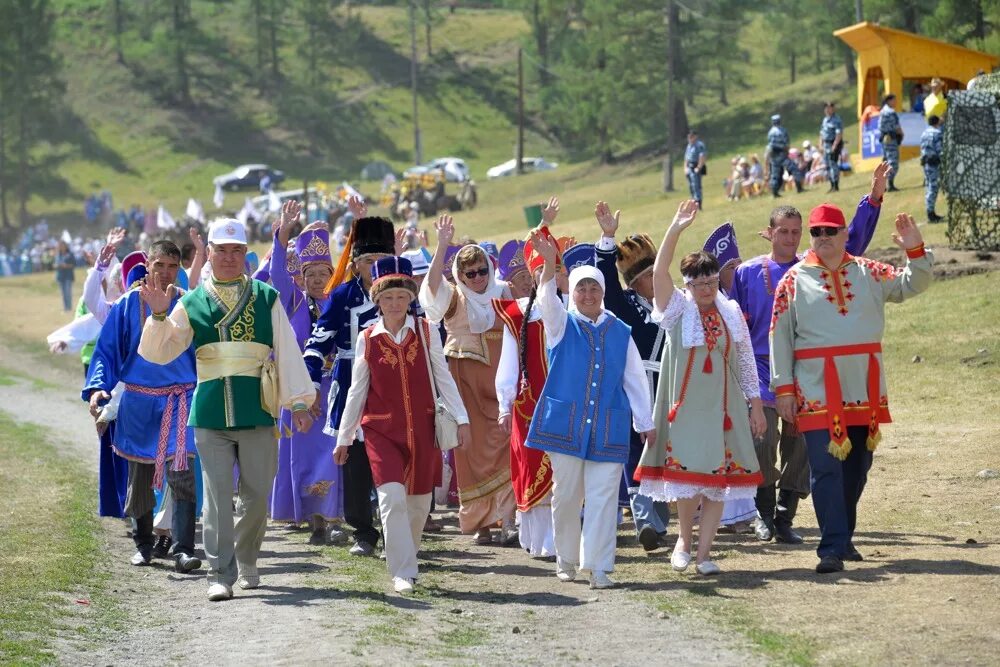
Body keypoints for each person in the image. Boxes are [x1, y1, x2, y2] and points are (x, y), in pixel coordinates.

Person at [137, 218, 316, 602]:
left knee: (256, 495)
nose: (230, 258)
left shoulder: (266, 296)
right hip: (209, 412)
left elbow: (285, 349)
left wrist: (298, 401)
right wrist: (157, 315)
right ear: (210, 254)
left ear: (244, 253)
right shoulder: (191, 302)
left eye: (237, 250)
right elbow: (160, 352)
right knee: (217, 496)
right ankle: (221, 573)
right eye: (222, 250)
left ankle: (247, 556)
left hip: (258, 408)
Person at [730, 164, 889, 544]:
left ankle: (787, 511)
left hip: (808, 372)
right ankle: (763, 512)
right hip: (760, 371)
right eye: (782, 231)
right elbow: (735, 324)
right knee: (762, 441)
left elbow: (853, 240)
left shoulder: (811, 268)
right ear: (769, 233)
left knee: (803, 443)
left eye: (795, 232)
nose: (788, 237)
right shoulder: (748, 272)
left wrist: (874, 199)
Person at [770, 204, 933, 574]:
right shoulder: (792, 281)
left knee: (857, 466)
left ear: (846, 233)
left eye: (831, 230)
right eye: (816, 232)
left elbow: (914, 283)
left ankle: (843, 538)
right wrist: (783, 390)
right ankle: (831, 548)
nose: (823, 238)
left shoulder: (871, 271)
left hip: (863, 385)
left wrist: (915, 250)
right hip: (815, 387)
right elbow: (778, 336)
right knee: (825, 467)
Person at [635, 200, 765, 576]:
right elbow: (659, 273)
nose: (707, 288)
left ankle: (705, 554)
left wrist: (755, 405)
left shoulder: (730, 313)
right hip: (686, 409)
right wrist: (675, 229)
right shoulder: (677, 309)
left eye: (711, 281)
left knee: (718, 484)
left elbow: (744, 362)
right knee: (688, 483)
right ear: (688, 285)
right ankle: (683, 540)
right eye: (699, 282)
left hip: (723, 411)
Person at [525, 228, 654, 590]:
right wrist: (550, 264)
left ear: (603, 293)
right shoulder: (560, 324)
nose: (587, 294)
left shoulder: (621, 330)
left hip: (608, 426)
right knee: (566, 496)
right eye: (581, 288)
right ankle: (566, 558)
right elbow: (548, 299)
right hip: (564, 424)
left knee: (602, 498)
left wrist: (645, 421)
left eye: (594, 288)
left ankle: (599, 566)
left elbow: (634, 379)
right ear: (574, 292)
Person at [334, 256, 471, 595]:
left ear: (411, 298)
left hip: (424, 429)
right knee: (391, 497)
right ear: (376, 299)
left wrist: (462, 418)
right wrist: (345, 436)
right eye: (387, 297)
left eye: (401, 297)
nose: (395, 304)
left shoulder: (426, 332)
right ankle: (403, 571)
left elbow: (443, 377)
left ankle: (404, 551)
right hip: (381, 431)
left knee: (419, 503)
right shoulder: (368, 337)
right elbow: (357, 389)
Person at [84, 240, 202, 575]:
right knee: (140, 476)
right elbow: (106, 351)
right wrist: (97, 388)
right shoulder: (125, 306)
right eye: (159, 265)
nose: (165, 272)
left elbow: (204, 351)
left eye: (172, 266)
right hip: (138, 399)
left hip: (180, 399)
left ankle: (182, 550)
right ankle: (144, 544)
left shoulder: (189, 304)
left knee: (182, 474)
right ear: (146, 265)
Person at [303, 198, 396, 558]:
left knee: (393, 461)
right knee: (355, 461)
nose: (374, 268)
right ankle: (363, 531)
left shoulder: (402, 290)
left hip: (394, 384)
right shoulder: (342, 295)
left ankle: (396, 530)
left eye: (380, 261)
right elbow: (319, 338)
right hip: (350, 382)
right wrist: (311, 382)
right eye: (367, 262)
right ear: (355, 263)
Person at [419, 214, 517, 545]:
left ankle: (507, 520)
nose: (476, 278)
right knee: (469, 450)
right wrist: (442, 245)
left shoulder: (505, 293)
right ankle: (481, 523)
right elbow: (431, 288)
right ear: (459, 275)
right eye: (469, 273)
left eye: (482, 271)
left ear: (491, 269)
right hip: (464, 383)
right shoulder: (453, 296)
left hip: (501, 381)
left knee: (506, 445)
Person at [593, 201, 671, 552]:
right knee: (636, 449)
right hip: (634, 386)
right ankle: (643, 521)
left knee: (663, 451)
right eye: (652, 276)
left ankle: (662, 522)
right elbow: (606, 281)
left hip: (666, 386)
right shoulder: (625, 303)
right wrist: (608, 238)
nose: (659, 280)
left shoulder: (671, 303)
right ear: (638, 281)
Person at [266, 201, 344, 544]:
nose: (315, 280)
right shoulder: (292, 300)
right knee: (298, 456)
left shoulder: (338, 304)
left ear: (331, 277)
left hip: (332, 390)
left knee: (330, 454)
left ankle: (328, 517)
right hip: (296, 391)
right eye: (309, 274)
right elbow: (277, 275)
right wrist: (284, 232)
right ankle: (310, 518)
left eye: (322, 274)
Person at [493, 206, 561, 559]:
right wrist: (505, 404)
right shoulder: (520, 311)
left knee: (563, 472)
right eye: (544, 268)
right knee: (532, 463)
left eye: (555, 267)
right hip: (528, 401)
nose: (550, 274)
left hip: (565, 401)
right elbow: (508, 363)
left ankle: (557, 539)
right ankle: (537, 538)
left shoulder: (576, 307)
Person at [920, 115, 944, 223]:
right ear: (937, 122)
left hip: (926, 163)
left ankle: (930, 211)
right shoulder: (937, 133)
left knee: (929, 186)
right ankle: (930, 213)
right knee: (933, 188)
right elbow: (940, 150)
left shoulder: (924, 133)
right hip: (934, 163)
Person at [878, 94, 903, 192]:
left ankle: (882, 185)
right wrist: (901, 134)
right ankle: (889, 184)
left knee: (885, 161)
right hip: (891, 138)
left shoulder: (883, 111)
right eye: (894, 100)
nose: (895, 102)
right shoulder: (890, 112)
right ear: (889, 101)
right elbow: (897, 127)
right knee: (893, 162)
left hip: (884, 138)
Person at [819, 101, 844, 192]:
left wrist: (835, 145)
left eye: (829, 108)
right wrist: (820, 144)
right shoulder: (825, 120)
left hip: (833, 144)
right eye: (826, 108)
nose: (827, 109)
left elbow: (839, 134)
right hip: (825, 145)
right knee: (827, 165)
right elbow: (821, 133)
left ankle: (836, 185)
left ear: (833, 109)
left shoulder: (836, 119)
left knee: (833, 164)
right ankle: (831, 185)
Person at [766, 114, 790, 198]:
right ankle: (799, 187)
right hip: (782, 154)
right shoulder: (783, 130)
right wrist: (787, 153)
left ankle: (774, 192)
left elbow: (769, 145)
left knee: (774, 175)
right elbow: (786, 144)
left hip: (774, 156)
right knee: (793, 169)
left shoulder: (770, 132)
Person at [684, 130, 707, 210]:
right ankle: (693, 202)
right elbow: (686, 158)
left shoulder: (699, 145)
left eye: (691, 137)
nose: (690, 138)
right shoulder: (689, 145)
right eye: (689, 137)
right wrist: (685, 168)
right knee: (691, 186)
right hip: (690, 168)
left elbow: (702, 156)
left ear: (695, 136)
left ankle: (698, 204)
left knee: (696, 186)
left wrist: (699, 167)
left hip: (696, 167)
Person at [55, 240, 75, 311]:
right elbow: (55, 264)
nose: (61, 247)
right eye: (60, 246)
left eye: (62, 245)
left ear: (66, 246)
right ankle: (65, 308)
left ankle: (69, 307)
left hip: (68, 276)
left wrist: (65, 265)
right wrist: (57, 265)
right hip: (60, 276)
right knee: (63, 294)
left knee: (67, 293)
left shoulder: (70, 254)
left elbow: (73, 264)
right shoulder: (58, 255)